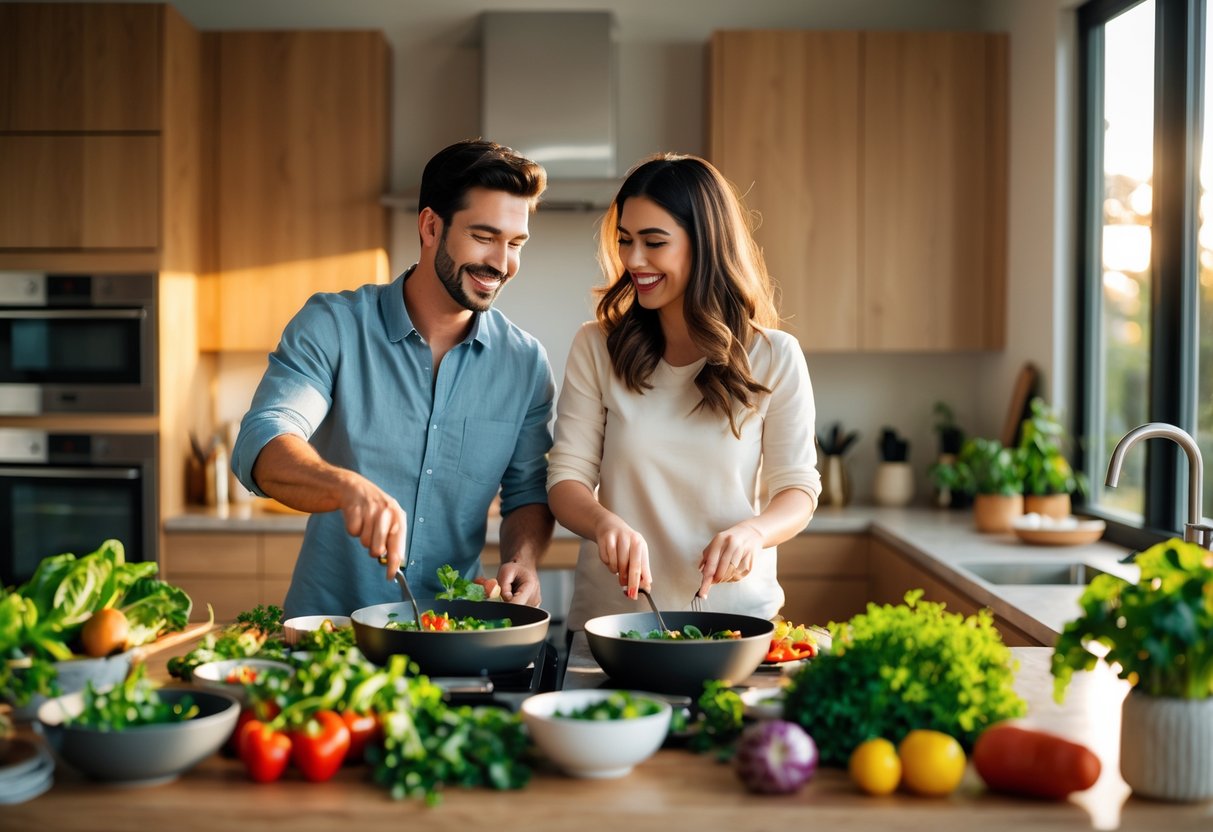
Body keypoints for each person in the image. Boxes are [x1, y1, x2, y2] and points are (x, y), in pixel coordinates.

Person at [232, 139, 556, 619]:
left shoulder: (524, 364)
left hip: (451, 633)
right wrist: (344, 486)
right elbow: (264, 439)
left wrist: (522, 560)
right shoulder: (334, 325)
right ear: (430, 227)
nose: (502, 263)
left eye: (515, 244)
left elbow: (528, 492)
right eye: (484, 236)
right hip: (331, 632)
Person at [546, 153, 821, 632]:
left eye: (655, 242)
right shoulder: (597, 347)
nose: (633, 260)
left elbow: (797, 490)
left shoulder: (774, 355)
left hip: (733, 623)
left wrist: (754, 533)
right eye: (625, 240)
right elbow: (566, 479)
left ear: (705, 245)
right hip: (614, 625)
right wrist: (602, 522)